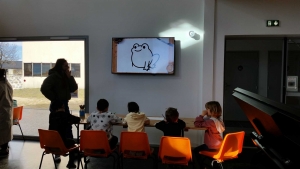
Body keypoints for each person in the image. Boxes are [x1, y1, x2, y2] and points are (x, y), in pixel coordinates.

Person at [40, 58, 78, 162]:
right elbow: (44, 88)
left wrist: (69, 77)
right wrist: (55, 98)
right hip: (57, 104)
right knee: (56, 129)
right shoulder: (54, 76)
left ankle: (71, 152)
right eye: (66, 66)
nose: (68, 68)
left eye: (68, 66)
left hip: (65, 103)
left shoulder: (65, 76)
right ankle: (57, 152)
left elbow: (73, 88)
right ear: (60, 66)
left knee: (67, 127)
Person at [193, 101, 225, 169]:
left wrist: (201, 115)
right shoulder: (219, 120)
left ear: (211, 110)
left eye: (207, 109)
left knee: (195, 151)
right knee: (209, 156)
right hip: (219, 145)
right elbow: (208, 120)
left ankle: (199, 167)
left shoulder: (210, 122)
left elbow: (197, 124)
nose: (206, 110)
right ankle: (214, 165)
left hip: (211, 146)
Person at [49, 100, 80, 168]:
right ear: (62, 107)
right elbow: (77, 119)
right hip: (61, 143)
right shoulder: (65, 115)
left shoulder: (51, 115)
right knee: (72, 142)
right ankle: (71, 163)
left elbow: (58, 122)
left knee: (68, 141)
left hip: (50, 144)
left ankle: (75, 153)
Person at [0, 69, 13, 157]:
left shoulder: (0, 85)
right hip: (7, 111)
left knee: (2, 132)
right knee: (5, 131)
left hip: (1, 111)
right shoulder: (7, 84)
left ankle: (4, 150)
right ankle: (5, 148)